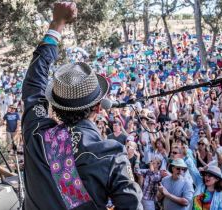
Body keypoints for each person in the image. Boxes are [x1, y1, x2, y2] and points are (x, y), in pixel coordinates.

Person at [22, 3, 142, 210]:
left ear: (55, 104)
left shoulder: (35, 130)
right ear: (97, 107)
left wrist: (57, 23)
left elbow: (33, 82)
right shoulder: (111, 155)